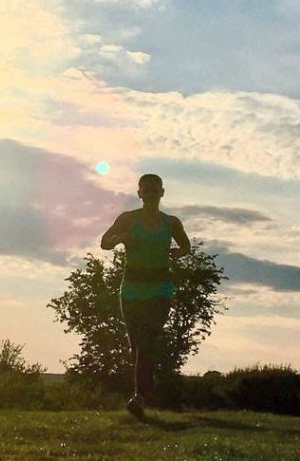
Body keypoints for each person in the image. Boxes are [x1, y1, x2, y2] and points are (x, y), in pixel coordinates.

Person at [100, 173, 190, 417]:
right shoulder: (128, 219)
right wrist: (121, 238)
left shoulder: (171, 223)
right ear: (139, 194)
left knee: (148, 340)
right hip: (131, 288)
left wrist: (177, 253)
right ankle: (141, 392)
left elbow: (186, 246)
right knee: (136, 343)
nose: (149, 194)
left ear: (162, 192)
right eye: (145, 190)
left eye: (154, 190)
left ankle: (140, 394)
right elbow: (104, 242)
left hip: (160, 288)